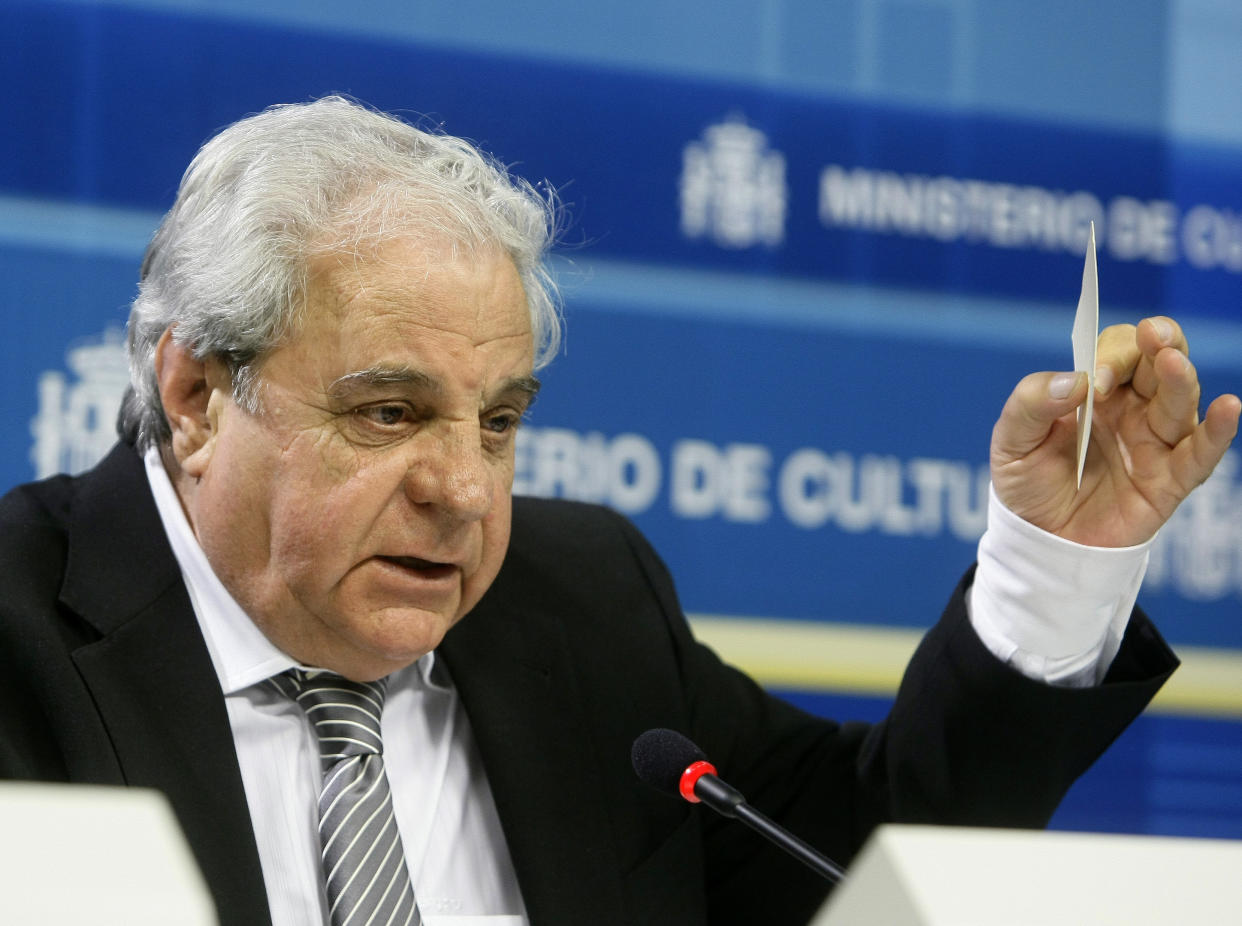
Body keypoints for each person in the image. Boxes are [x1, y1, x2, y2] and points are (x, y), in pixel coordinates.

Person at [0, 96, 1237, 926]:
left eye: (497, 421)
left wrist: (1056, 559)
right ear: (199, 392)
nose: (466, 490)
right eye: (388, 413)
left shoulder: (577, 603)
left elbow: (879, 867)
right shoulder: (18, 640)